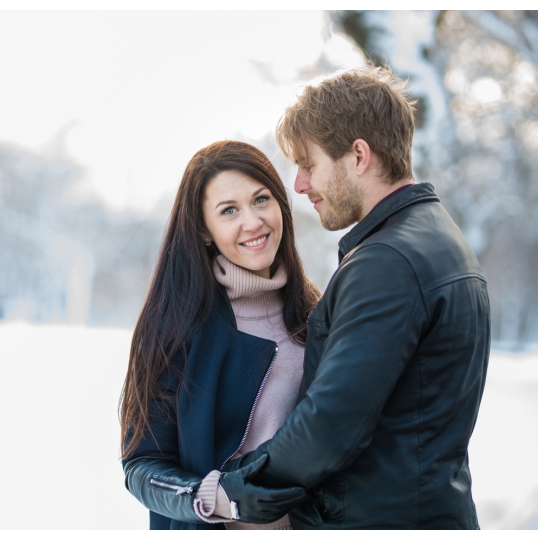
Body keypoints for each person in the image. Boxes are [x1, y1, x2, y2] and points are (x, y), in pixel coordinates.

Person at [223, 64, 491, 529]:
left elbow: (329, 426)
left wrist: (232, 492)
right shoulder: (437, 238)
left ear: (359, 156)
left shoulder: (388, 261)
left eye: (309, 165)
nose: (301, 184)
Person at [120, 140, 320, 530]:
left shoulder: (318, 314)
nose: (252, 221)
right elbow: (142, 465)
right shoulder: (175, 327)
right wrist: (213, 498)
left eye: (261, 200)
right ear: (205, 230)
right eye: (229, 211)